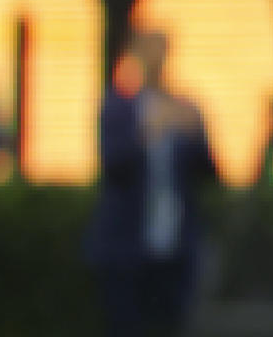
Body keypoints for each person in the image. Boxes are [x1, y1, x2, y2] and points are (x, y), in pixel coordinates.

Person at [88, 28, 220, 337]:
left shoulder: (184, 108)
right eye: (149, 49)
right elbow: (111, 165)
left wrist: (197, 133)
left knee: (172, 323)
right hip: (125, 246)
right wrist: (145, 133)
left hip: (176, 242)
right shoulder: (118, 107)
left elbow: (211, 175)